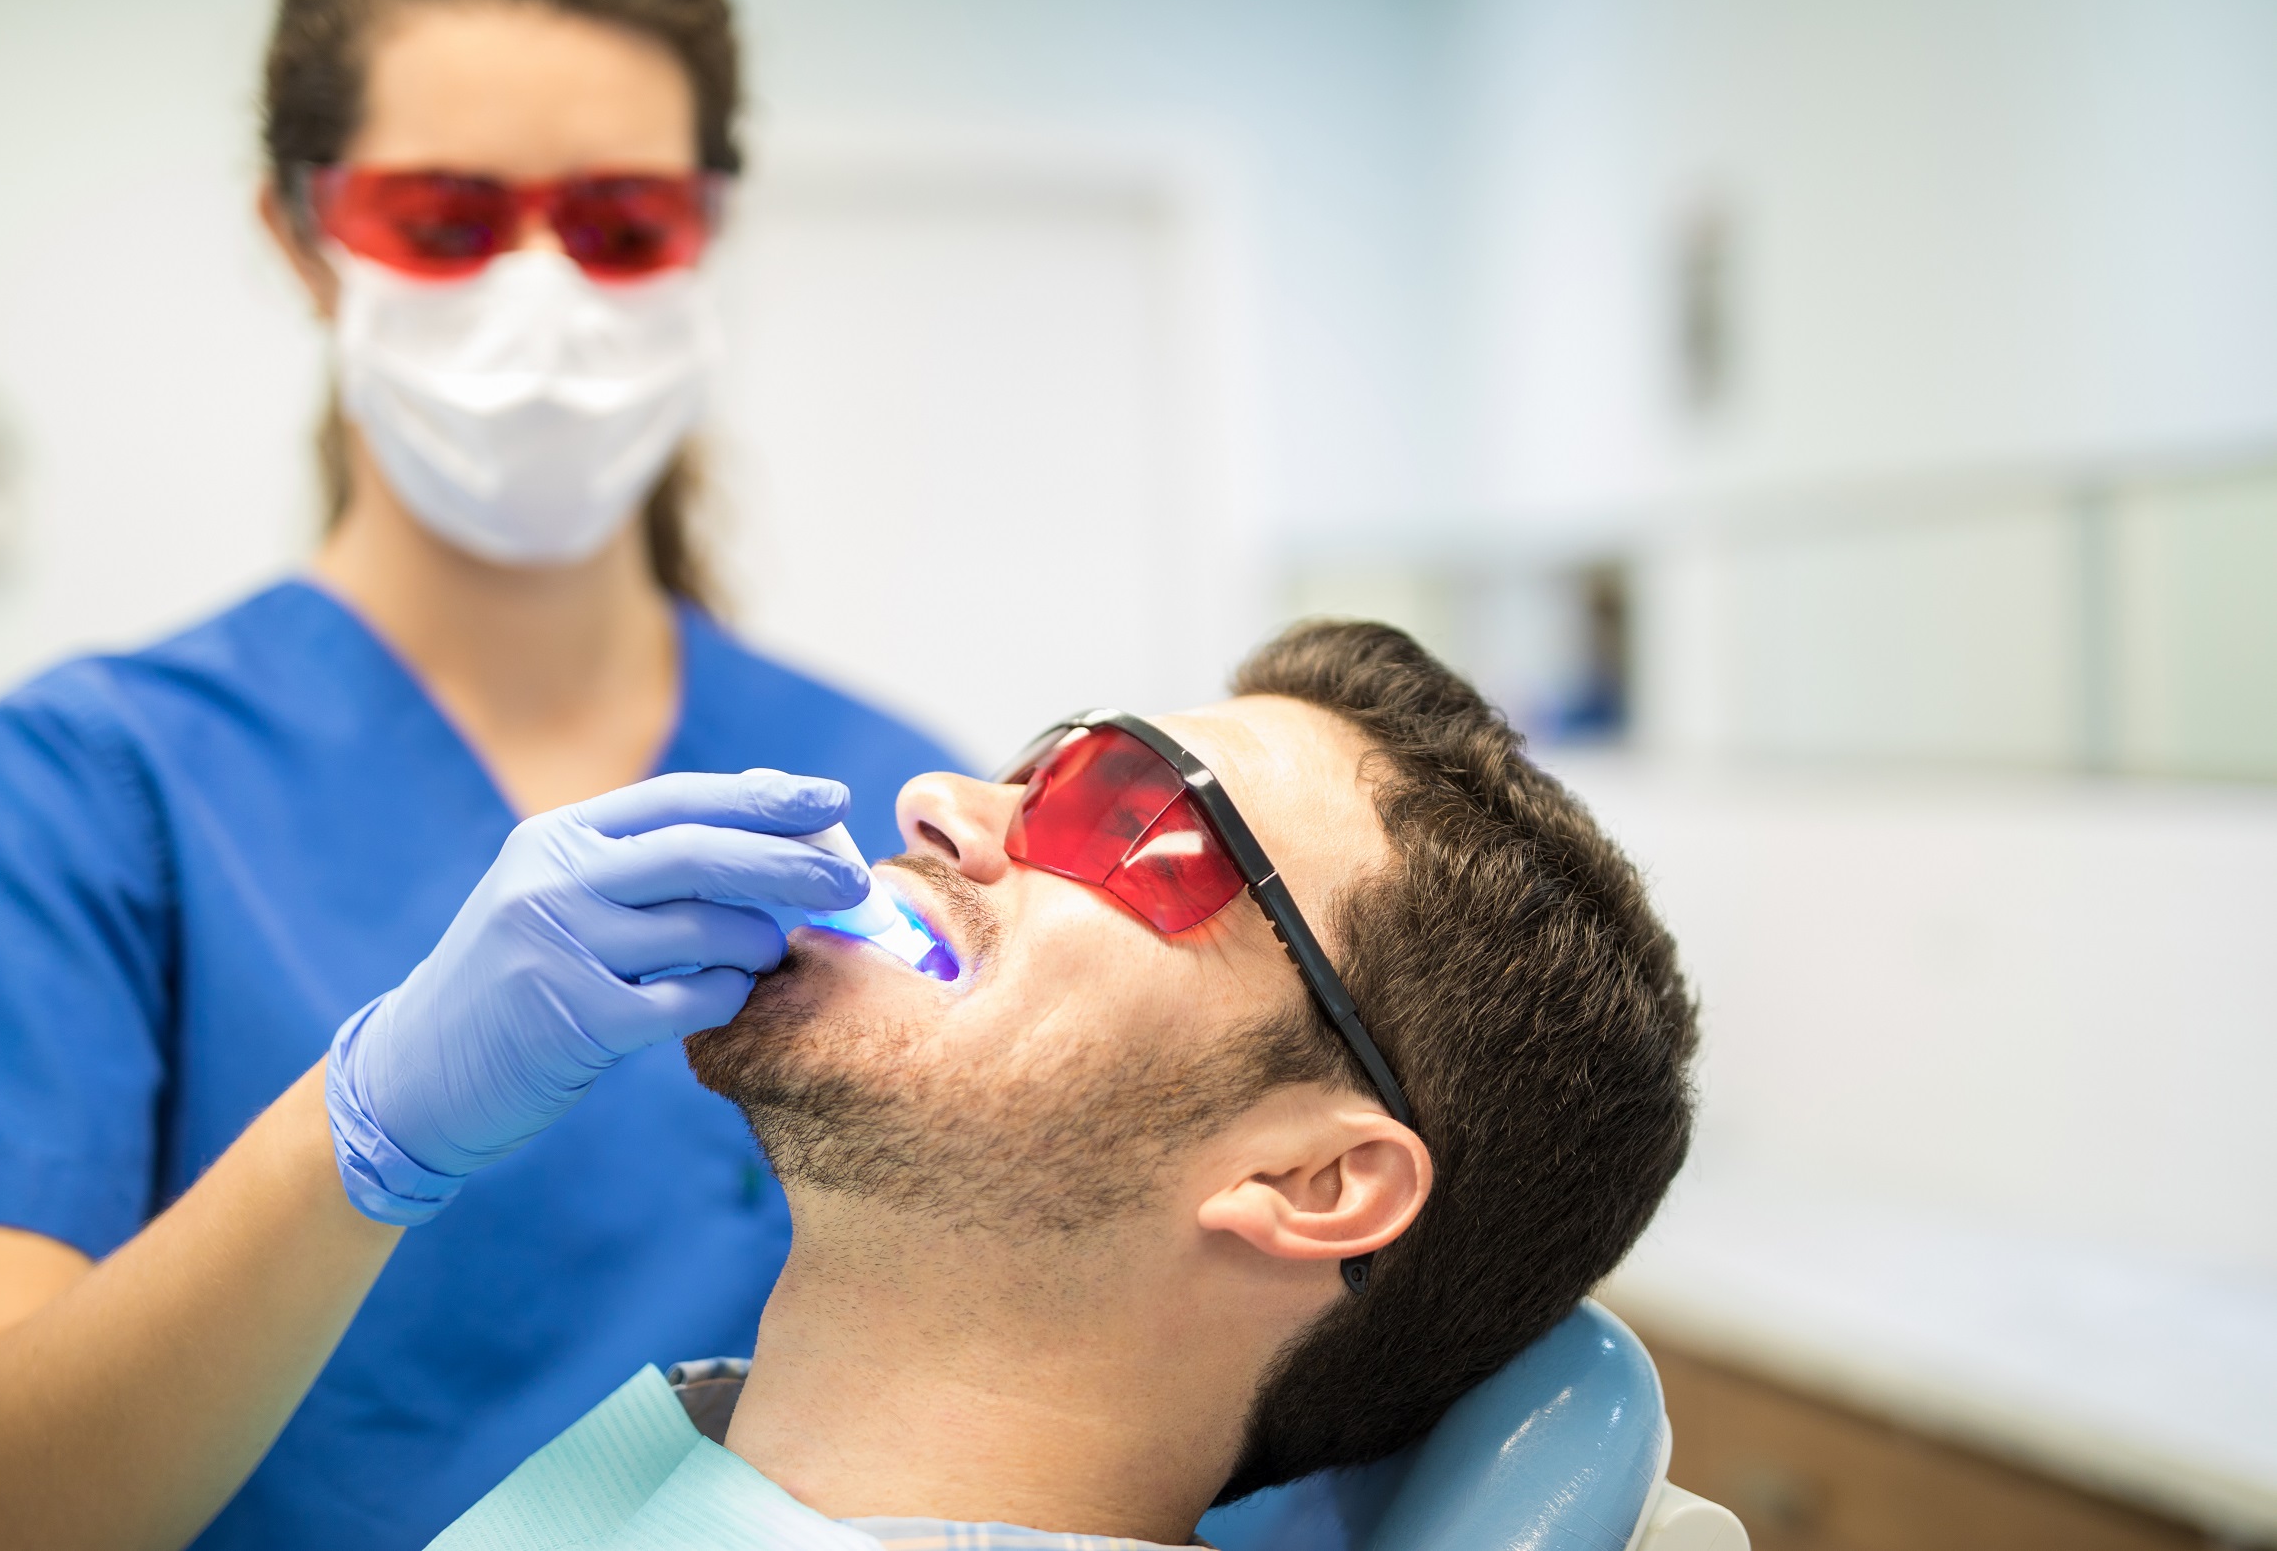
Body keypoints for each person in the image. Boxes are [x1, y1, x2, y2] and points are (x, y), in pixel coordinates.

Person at [0, 0, 963, 1549]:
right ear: (298, 231)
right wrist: (366, 1136)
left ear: (711, 230)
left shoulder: (893, 797)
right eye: (449, 220)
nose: (544, 292)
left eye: (620, 224)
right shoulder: (90, 790)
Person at [426, 620, 1702, 1550]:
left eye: (1133, 817)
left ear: (1309, 1180)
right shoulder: (670, 1471)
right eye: (1040, 766)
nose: (937, 801)